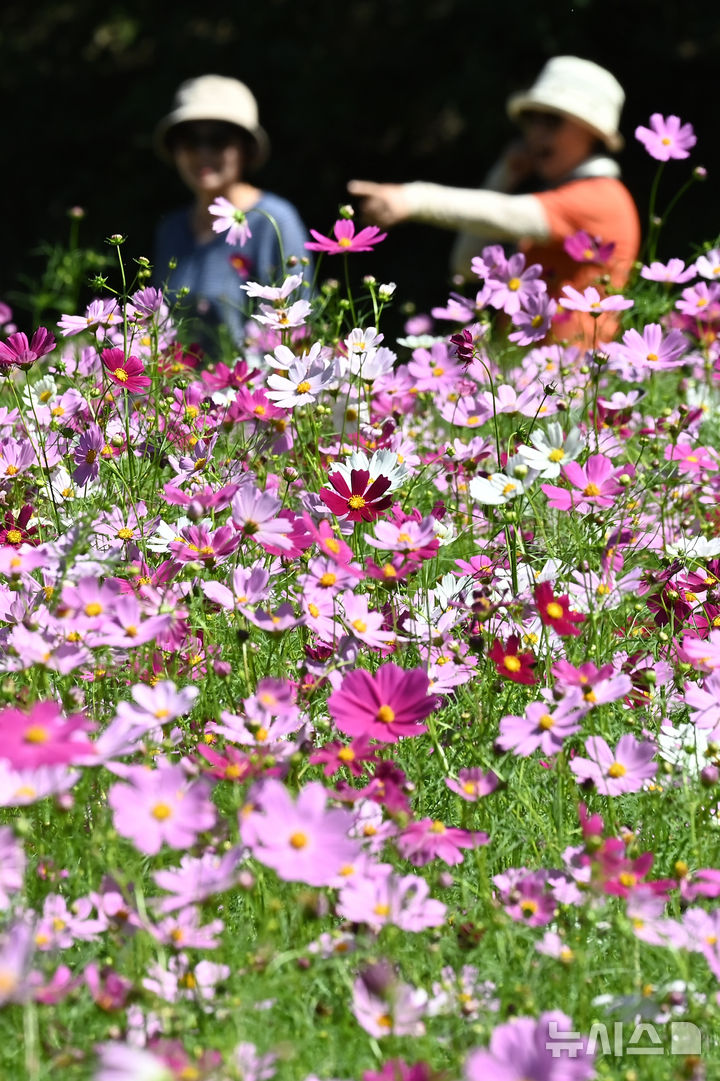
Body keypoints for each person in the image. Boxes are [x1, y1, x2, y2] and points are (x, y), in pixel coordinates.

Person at [348, 57, 641, 346]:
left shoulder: (602, 197)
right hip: (533, 377)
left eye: (552, 121)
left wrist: (412, 199)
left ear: (593, 133)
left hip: (572, 382)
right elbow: (465, 263)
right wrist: (505, 175)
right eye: (531, 120)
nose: (535, 133)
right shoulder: (564, 196)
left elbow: (506, 214)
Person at [153, 75, 311, 351]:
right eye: (189, 140)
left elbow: (299, 331)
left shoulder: (274, 220)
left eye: (218, 140)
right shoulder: (172, 229)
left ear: (245, 149)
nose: (202, 152)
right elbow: (158, 326)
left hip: (253, 387)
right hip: (178, 390)